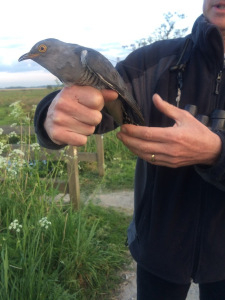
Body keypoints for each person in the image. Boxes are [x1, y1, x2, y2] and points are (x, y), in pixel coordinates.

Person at [34, 0, 225, 299]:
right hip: (158, 248)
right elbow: (102, 103)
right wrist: (50, 115)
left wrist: (217, 152)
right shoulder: (153, 59)